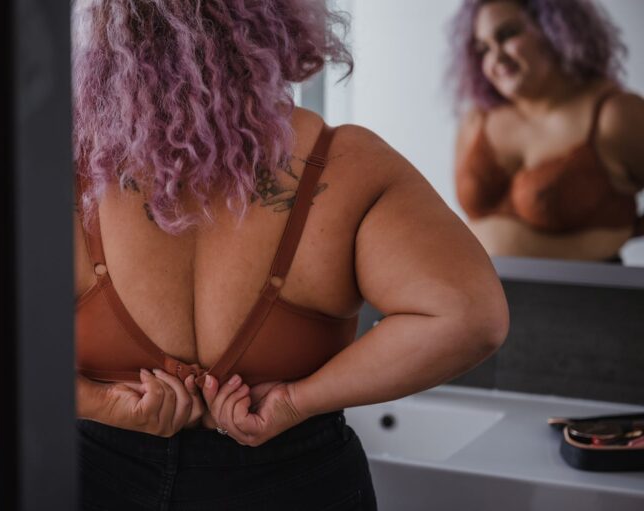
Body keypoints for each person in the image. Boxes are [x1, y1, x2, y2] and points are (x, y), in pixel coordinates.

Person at [72, 1, 509, 509]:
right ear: (275, 23)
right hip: (299, 480)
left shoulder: (61, 165)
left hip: (91, 479)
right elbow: (469, 317)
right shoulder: (348, 162)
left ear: (110, 30)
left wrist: (102, 405)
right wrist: (297, 401)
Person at [449, 0, 644, 263]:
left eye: (507, 34)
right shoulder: (475, 121)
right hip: (476, 286)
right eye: (483, 48)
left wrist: (621, 234)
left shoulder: (614, 115)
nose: (496, 57)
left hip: (581, 288)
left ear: (554, 29)